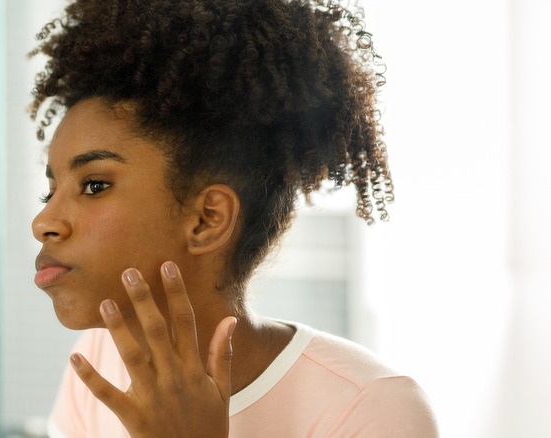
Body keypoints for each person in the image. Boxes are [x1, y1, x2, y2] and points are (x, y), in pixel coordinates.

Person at [28, 0, 438, 436]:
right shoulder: (101, 364)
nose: (43, 222)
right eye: (50, 191)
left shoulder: (371, 408)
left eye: (94, 185)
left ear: (207, 219)